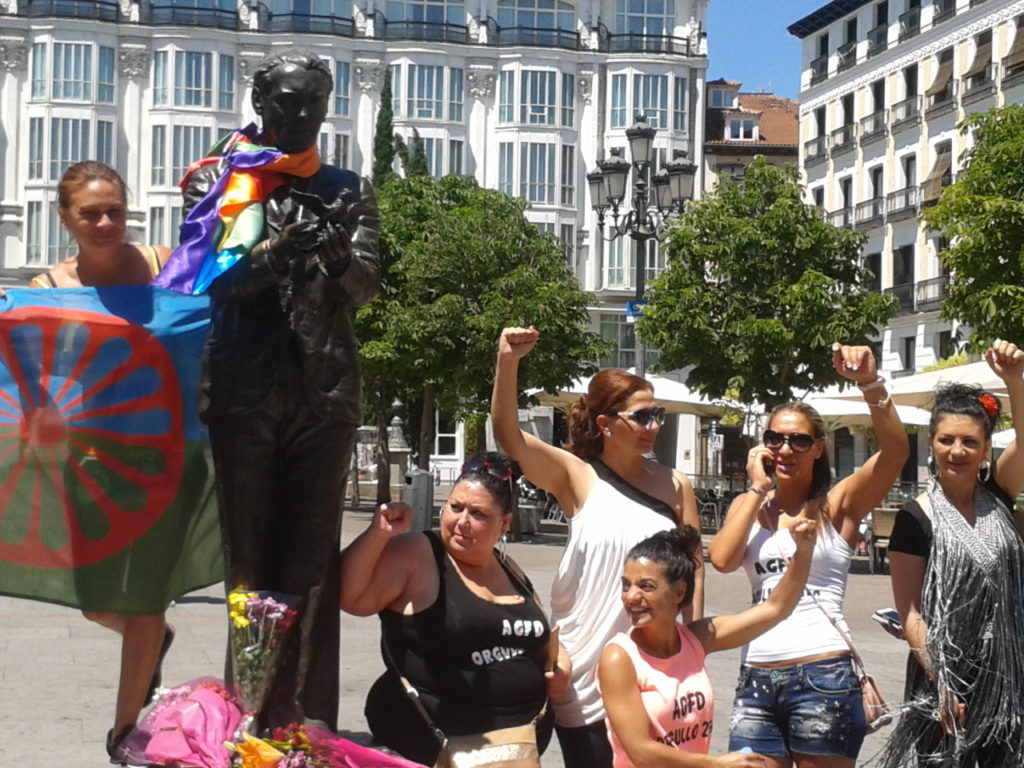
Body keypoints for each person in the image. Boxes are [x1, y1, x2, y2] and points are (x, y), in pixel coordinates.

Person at [165, 50, 380, 730]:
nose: (300, 116)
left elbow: (367, 284)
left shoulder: (346, 187)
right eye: (287, 102)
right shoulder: (217, 179)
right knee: (249, 560)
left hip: (326, 392)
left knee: (313, 559)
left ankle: (308, 720)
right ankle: (249, 712)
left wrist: (341, 257)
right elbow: (208, 279)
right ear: (262, 99)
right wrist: (273, 256)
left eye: (313, 105)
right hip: (243, 390)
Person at [491, 326, 703, 768]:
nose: (655, 426)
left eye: (658, 414)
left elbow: (693, 568)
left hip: (654, 665)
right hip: (585, 666)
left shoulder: (675, 484)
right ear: (605, 424)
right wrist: (507, 362)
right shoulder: (577, 475)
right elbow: (509, 436)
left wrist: (691, 641)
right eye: (642, 416)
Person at [29, 161, 174, 759]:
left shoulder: (165, 265)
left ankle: (124, 732)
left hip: (168, 456)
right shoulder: (46, 287)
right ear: (65, 218)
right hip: (89, 461)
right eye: (90, 212)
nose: (106, 221)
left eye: (115, 209)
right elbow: (33, 373)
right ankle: (154, 641)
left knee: (139, 601)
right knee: (94, 601)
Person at [708, 344, 909, 768]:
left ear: (818, 449)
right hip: (756, 674)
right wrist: (757, 488)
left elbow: (895, 454)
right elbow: (722, 559)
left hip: (822, 674)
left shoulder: (835, 506)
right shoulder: (751, 506)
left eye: (799, 440)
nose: (785, 449)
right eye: (775, 439)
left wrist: (870, 383)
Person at [340, 455, 571, 768]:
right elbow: (351, 597)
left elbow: (539, 638)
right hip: (436, 749)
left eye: (478, 513)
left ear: (504, 523)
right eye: (456, 507)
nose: (462, 521)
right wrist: (378, 535)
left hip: (517, 752)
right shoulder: (419, 553)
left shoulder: (509, 568)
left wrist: (562, 664)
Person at [882, 340, 1024, 768]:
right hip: (943, 678)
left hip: (1007, 671)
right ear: (932, 443)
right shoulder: (914, 518)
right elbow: (910, 614)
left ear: (985, 450)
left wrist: (1014, 380)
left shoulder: (999, 494)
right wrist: (941, 681)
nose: (956, 451)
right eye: (946, 440)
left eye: (969, 441)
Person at [600, 523, 818, 768]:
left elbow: (776, 608)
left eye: (646, 586)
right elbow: (641, 751)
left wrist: (804, 552)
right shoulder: (619, 658)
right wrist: (716, 764)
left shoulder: (697, 638)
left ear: (679, 592)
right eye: (626, 585)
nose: (631, 596)